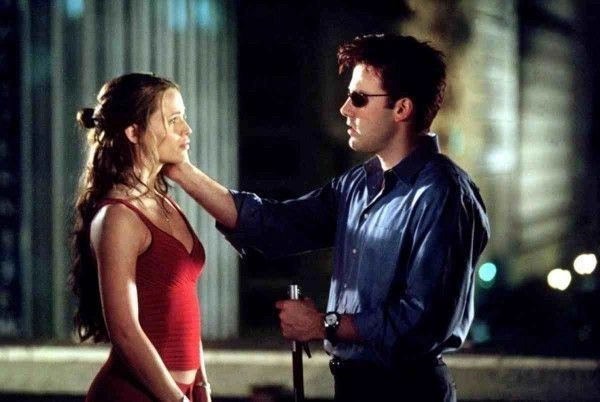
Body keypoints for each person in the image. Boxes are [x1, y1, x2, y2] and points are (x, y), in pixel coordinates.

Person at [166, 33, 490, 402]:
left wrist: (323, 324)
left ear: (402, 108)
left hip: (407, 391)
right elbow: (276, 226)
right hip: (352, 387)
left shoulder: (443, 194)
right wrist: (181, 170)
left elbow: (423, 322)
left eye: (359, 99)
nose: (345, 109)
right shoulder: (357, 184)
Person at [69, 73, 211, 402]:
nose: (186, 129)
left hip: (181, 394)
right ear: (134, 132)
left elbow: (185, 305)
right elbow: (124, 331)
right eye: (173, 120)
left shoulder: (165, 202)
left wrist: (202, 386)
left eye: (183, 117)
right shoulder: (118, 217)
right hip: (134, 394)